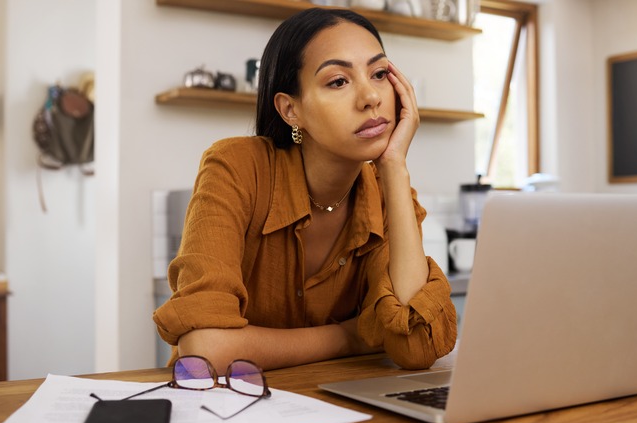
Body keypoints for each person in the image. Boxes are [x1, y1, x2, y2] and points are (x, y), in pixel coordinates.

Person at [153, 7, 457, 374]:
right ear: (290, 110)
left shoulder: (388, 190)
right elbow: (205, 350)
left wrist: (394, 164)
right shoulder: (236, 166)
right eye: (338, 81)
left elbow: (415, 347)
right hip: (223, 411)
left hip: (341, 413)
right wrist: (354, 335)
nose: (370, 98)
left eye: (379, 74)